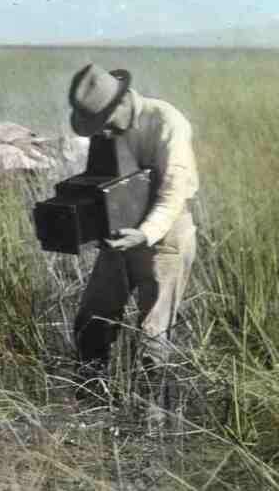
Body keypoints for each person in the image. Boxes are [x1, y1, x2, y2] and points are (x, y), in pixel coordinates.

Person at [67, 63, 199, 427]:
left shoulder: (167, 122)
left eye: (107, 122)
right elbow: (104, 181)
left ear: (126, 98)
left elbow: (174, 191)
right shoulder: (108, 127)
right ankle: (91, 409)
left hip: (166, 234)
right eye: (97, 127)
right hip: (122, 234)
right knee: (91, 318)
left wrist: (146, 232)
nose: (104, 132)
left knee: (153, 336)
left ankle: (153, 424)